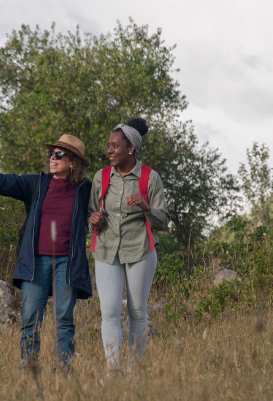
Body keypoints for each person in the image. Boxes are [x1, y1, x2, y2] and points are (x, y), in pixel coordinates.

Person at [0, 135, 92, 370]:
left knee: (64, 321)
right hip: (35, 262)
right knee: (30, 321)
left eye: (59, 154)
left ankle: (63, 374)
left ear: (73, 162)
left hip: (68, 262)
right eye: (51, 153)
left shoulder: (85, 190)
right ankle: (29, 372)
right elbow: (4, 181)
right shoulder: (35, 184)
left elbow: (101, 210)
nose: (52, 158)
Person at [88, 118, 169, 374]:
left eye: (115, 146)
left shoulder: (150, 178)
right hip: (106, 251)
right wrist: (93, 220)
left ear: (130, 148)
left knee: (136, 312)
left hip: (140, 251)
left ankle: (134, 373)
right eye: (108, 146)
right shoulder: (100, 177)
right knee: (110, 311)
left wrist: (146, 206)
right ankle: (113, 371)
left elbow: (163, 221)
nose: (109, 150)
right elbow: (90, 213)